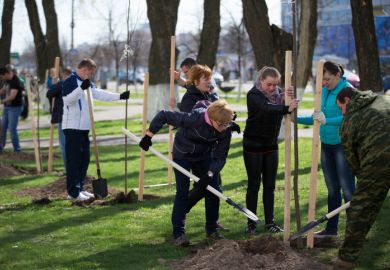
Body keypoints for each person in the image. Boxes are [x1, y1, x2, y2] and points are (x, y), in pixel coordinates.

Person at [139, 99, 234, 246]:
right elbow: (164, 115)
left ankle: (212, 230)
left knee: (213, 190)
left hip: (203, 156)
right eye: (222, 124)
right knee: (182, 192)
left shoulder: (225, 129)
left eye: (227, 124)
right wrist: (149, 135)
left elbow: (221, 156)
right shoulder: (194, 118)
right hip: (183, 154)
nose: (224, 128)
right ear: (213, 119)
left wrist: (209, 174)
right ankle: (178, 234)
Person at [332, 87, 390, 268]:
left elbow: (352, 159)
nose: (343, 113)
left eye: (341, 108)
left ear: (347, 100)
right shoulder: (383, 100)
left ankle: (346, 259)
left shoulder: (350, 120)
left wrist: (364, 180)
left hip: (378, 164)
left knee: (361, 209)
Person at [297, 61, 355, 238]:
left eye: (327, 79)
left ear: (337, 75)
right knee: (332, 189)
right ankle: (331, 230)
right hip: (326, 144)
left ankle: (354, 233)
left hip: (342, 144)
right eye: (322, 79)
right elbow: (317, 117)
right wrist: (294, 118)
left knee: (347, 189)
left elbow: (350, 117)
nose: (324, 83)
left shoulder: (348, 90)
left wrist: (327, 121)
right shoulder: (323, 91)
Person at [62, 58, 130, 201]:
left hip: (84, 128)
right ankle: (73, 193)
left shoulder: (87, 83)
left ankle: (79, 188)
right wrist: (81, 89)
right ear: (84, 70)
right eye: (91, 73)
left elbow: (99, 93)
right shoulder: (71, 81)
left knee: (84, 160)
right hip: (72, 127)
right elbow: (68, 100)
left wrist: (119, 96)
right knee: (74, 161)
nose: (91, 75)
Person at [243, 66, 298, 235]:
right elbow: (267, 108)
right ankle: (251, 223)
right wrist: (285, 108)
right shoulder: (253, 95)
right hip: (253, 145)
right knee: (254, 185)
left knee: (270, 186)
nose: (273, 88)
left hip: (271, 145)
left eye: (275, 85)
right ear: (261, 81)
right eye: (269, 84)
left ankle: (270, 223)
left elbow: (280, 103)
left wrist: (288, 97)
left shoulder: (278, 94)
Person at [46, 67, 72, 173]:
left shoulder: (61, 84)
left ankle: (68, 170)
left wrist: (53, 84)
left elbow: (49, 94)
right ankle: (74, 169)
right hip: (75, 119)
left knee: (64, 145)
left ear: (63, 75)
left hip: (63, 118)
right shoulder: (77, 84)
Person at [0, 65, 25, 153]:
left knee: (12, 128)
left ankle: (17, 149)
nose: (2, 78)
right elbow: (2, 90)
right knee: (2, 127)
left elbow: (12, 96)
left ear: (6, 74)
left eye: (2, 76)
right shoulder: (7, 81)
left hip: (15, 107)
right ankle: (1, 147)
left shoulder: (16, 81)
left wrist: (2, 101)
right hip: (7, 107)